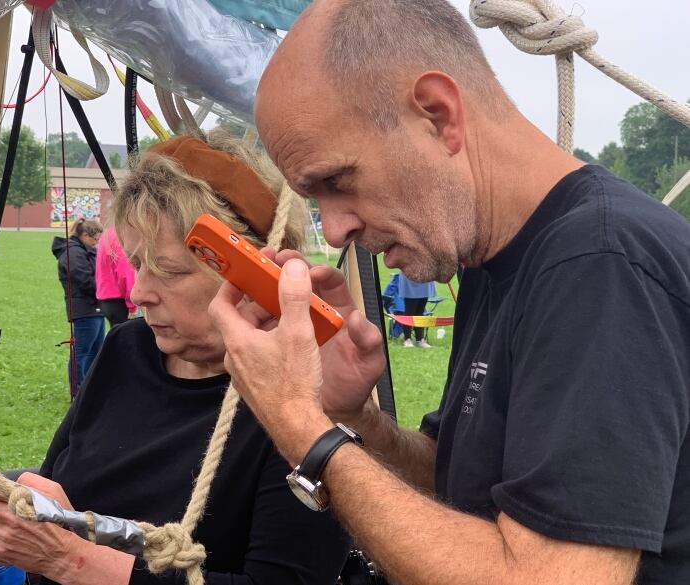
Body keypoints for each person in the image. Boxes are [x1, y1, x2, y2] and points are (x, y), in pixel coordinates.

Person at [207, 1, 690, 584]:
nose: (334, 230)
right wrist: (354, 416)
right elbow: (462, 485)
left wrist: (297, 421)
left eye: (337, 182)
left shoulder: (599, 264)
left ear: (438, 115)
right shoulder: (491, 256)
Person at [0, 130, 351, 585]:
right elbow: (60, 475)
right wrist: (35, 509)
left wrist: (70, 560)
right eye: (136, 264)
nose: (138, 294)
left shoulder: (304, 400)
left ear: (258, 275)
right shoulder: (126, 347)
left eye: (169, 271)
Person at [51, 218, 105, 397]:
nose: (96, 243)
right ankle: (78, 392)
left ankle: (88, 388)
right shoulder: (72, 253)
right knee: (81, 352)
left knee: (95, 351)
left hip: (95, 308)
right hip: (84, 309)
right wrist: (104, 289)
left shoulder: (84, 250)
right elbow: (83, 279)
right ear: (85, 235)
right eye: (95, 239)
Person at [96, 227, 137, 327]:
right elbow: (125, 272)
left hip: (106, 298)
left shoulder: (108, 234)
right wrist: (132, 305)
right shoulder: (120, 234)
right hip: (121, 301)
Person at [397, 272, 433, 348]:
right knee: (409, 312)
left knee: (420, 311)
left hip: (425, 277)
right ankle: (407, 339)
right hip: (411, 277)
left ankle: (420, 339)